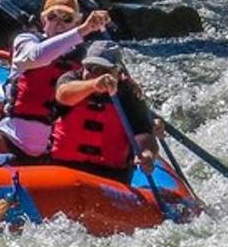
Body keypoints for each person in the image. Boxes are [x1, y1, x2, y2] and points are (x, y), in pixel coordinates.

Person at [0, 0, 111, 156]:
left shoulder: (85, 57)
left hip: (59, 149)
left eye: (66, 19)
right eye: (53, 17)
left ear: (76, 21)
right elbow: (38, 56)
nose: (59, 24)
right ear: (44, 20)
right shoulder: (26, 41)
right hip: (14, 140)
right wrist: (84, 30)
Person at [50, 40, 158, 180]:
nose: (97, 75)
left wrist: (147, 154)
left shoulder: (128, 93)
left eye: (104, 71)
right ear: (83, 66)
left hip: (110, 174)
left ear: (118, 73)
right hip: (65, 167)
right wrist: (94, 85)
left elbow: (144, 134)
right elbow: (63, 95)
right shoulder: (70, 79)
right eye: (91, 69)